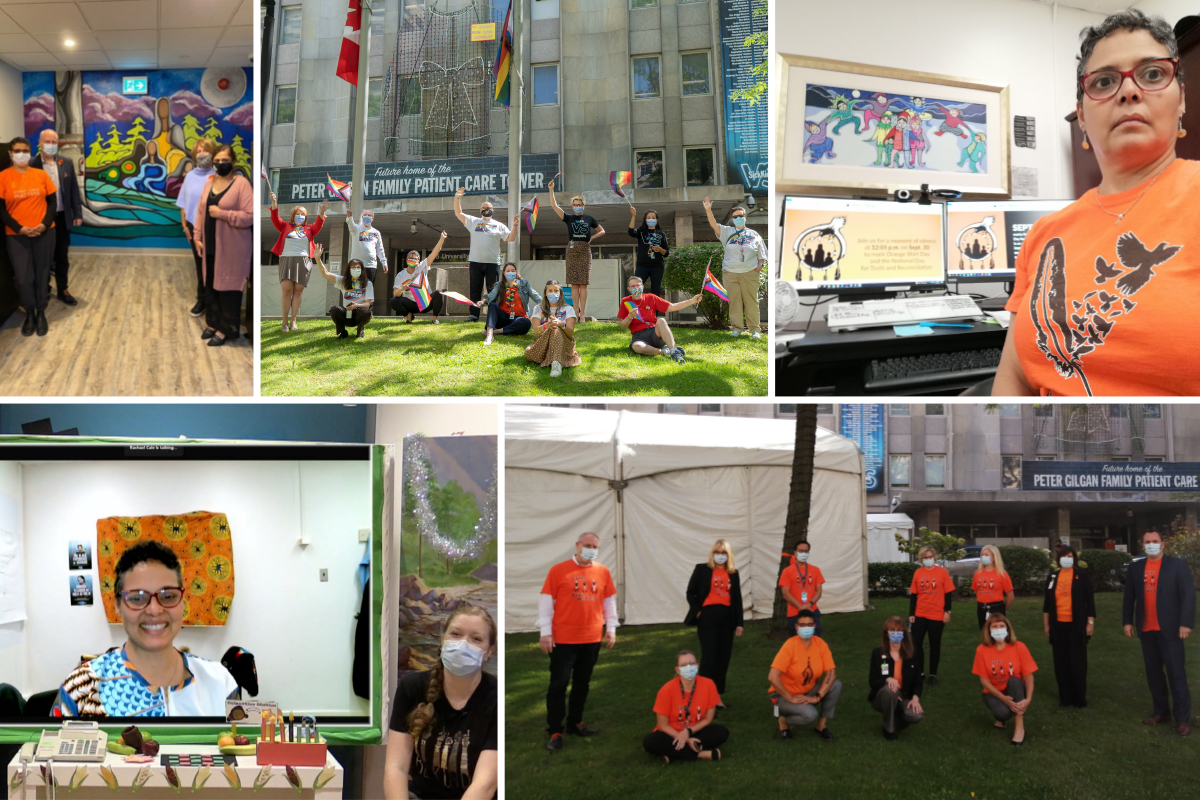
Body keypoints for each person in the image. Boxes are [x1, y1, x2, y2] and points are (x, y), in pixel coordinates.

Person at [992, 9, 1200, 396]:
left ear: (1181, 100)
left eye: (1152, 74)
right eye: (1104, 81)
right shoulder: (1044, 234)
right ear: (1082, 117)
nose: (1129, 91)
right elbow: (1014, 376)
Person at [52, 541, 239, 717]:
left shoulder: (221, 682)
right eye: (137, 598)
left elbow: (241, 739)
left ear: (182, 601)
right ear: (117, 605)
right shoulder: (82, 689)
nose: (154, 610)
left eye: (168, 596)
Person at [383, 606, 497, 800]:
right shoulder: (411, 688)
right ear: (443, 641)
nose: (463, 644)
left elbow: (485, 783)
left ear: (488, 652)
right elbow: (396, 768)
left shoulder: (495, 699)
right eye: (456, 634)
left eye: (476, 639)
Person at [539, 532, 617, 752]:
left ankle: (575, 722)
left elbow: (609, 602)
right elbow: (546, 603)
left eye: (595, 547)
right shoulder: (558, 570)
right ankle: (555, 729)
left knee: (582, 683)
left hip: (591, 638)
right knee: (558, 684)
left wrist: (611, 628)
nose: (591, 549)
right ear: (577, 545)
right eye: (587, 545)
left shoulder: (603, 571)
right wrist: (545, 632)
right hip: (563, 639)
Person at [1122, 529, 1195, 736]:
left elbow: (1188, 596)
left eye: (1155, 541)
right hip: (1147, 630)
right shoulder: (1136, 568)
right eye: (1147, 542)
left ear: (1162, 544)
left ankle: (1182, 719)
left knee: (1176, 674)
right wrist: (1127, 622)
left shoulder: (1177, 565)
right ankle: (1161, 712)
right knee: (1154, 675)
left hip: (1170, 630)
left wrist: (1185, 623)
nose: (1151, 544)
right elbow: (1129, 597)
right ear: (1142, 545)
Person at [193, 145, 252, 347]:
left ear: (232, 161)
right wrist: (197, 236)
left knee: (228, 289)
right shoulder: (209, 182)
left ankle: (225, 329)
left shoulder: (241, 184)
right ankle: (213, 322)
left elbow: (250, 216)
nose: (220, 164)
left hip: (232, 249)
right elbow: (200, 212)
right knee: (211, 286)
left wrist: (223, 214)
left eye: (224, 161)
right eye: (217, 161)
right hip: (209, 245)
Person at [1, 136, 58, 337]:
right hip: (17, 236)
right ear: (10, 154)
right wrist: (19, 228)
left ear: (30, 152)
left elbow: (53, 202)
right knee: (23, 277)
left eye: (25, 150)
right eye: (17, 151)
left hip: (45, 233)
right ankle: (30, 312)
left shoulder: (40, 175)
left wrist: (44, 224)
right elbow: (1, 210)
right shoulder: (3, 177)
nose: (21, 154)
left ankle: (41, 311)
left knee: (42, 273)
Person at [642, 650, 727, 764]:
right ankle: (700, 754)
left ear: (698, 665)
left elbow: (708, 719)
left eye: (692, 663)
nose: (689, 667)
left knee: (721, 731)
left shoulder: (708, 684)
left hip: (695, 730)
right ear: (677, 669)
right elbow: (663, 725)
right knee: (650, 741)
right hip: (671, 733)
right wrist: (683, 738)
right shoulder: (666, 690)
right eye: (684, 665)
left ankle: (674, 754)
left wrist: (687, 732)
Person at [768, 609, 840, 742]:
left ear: (814, 625)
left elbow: (831, 673)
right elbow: (772, 677)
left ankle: (821, 726)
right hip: (781, 696)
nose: (806, 628)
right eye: (802, 625)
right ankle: (784, 722)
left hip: (807, 691)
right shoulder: (789, 646)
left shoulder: (820, 644)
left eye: (809, 624)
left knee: (835, 685)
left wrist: (817, 697)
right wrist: (790, 697)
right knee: (810, 715)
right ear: (796, 627)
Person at [684, 540, 744, 699]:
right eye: (717, 552)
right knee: (709, 657)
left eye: (723, 553)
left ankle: (717, 696)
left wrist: (739, 622)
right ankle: (703, 695)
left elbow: (737, 599)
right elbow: (690, 592)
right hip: (708, 616)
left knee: (723, 657)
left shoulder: (733, 573)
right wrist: (697, 611)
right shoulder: (702, 569)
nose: (720, 556)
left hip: (727, 617)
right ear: (712, 554)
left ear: (729, 555)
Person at [31, 129, 82, 307]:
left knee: (62, 256)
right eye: (47, 141)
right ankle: (43, 288)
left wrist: (77, 213)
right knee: (43, 257)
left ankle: (63, 289)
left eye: (54, 142)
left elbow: (73, 190)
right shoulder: (31, 164)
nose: (51, 145)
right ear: (40, 143)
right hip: (40, 219)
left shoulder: (65, 162)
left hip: (62, 217)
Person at [702, 197, 766, 338]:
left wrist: (759, 266)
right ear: (732, 219)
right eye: (735, 217)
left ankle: (754, 330)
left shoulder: (754, 234)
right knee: (734, 302)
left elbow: (761, 252)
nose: (738, 218)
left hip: (750, 273)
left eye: (740, 216)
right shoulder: (727, 232)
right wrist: (708, 210)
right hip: (730, 273)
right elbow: (713, 224)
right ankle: (737, 329)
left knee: (751, 301)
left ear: (745, 217)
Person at [453, 187, 517, 322]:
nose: (486, 210)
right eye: (484, 208)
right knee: (475, 289)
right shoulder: (473, 221)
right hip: (475, 262)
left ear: (493, 210)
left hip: (493, 263)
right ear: (480, 210)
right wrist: (457, 198)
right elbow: (458, 213)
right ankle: (473, 315)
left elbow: (511, 238)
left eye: (489, 208)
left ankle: (493, 315)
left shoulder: (499, 225)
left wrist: (515, 226)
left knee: (493, 291)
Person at [1043, 545, 1096, 709]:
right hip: (1057, 626)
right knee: (1061, 662)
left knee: (1077, 662)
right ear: (1059, 559)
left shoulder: (1082, 576)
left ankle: (1079, 698)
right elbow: (1047, 604)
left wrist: (1090, 623)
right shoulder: (1052, 577)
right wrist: (1046, 624)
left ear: (1074, 559)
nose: (1067, 559)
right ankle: (1065, 698)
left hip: (1076, 626)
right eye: (1064, 556)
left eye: (1070, 556)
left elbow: (1090, 602)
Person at [269, 190, 329, 333]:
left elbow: (318, 225)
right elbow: (275, 218)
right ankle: (284, 322)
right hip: (287, 259)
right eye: (298, 214)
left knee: (298, 291)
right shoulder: (285, 226)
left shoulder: (309, 229)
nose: (300, 216)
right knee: (286, 291)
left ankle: (293, 321)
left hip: (304, 261)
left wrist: (322, 213)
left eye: (303, 214)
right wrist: (274, 203)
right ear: (293, 216)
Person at [972, 613, 1036, 745]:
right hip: (994, 692)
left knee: (1014, 681)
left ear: (1007, 628)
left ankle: (1019, 728)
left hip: (1016, 689)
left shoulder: (1019, 647)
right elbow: (984, 681)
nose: (998, 629)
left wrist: (1028, 699)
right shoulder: (981, 650)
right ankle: (1001, 719)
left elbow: (1029, 677)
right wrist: (1004, 699)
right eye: (994, 626)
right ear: (989, 630)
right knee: (1002, 713)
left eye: (1001, 625)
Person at [547, 180, 604, 321]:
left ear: (583, 206)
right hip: (572, 250)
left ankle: (582, 314)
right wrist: (551, 190)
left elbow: (602, 230)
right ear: (572, 206)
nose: (577, 207)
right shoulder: (569, 218)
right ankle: (575, 312)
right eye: (575, 205)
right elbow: (554, 206)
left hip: (585, 250)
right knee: (574, 283)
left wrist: (592, 237)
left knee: (583, 283)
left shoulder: (589, 218)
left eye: (580, 205)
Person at [617, 275, 701, 363]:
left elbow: (673, 306)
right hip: (639, 337)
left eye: (638, 285)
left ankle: (674, 351)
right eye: (633, 286)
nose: (636, 288)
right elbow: (623, 325)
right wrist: (629, 316)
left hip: (655, 333)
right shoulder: (625, 301)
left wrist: (692, 301)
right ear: (629, 289)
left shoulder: (651, 298)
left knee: (661, 320)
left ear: (642, 286)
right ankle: (664, 351)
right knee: (636, 347)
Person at [176, 139, 217, 317]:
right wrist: (185, 226)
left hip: (215, 227)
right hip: (194, 228)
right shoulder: (190, 177)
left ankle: (216, 301)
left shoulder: (219, 175)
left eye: (205, 150)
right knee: (200, 265)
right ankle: (202, 299)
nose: (202, 154)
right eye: (198, 151)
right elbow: (183, 203)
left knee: (215, 266)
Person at [867, 616, 924, 740]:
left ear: (904, 633)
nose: (896, 634)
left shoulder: (912, 654)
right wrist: (887, 679)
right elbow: (872, 682)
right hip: (882, 697)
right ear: (886, 633)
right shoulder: (878, 653)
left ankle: (894, 720)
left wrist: (915, 699)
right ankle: (888, 729)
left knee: (917, 716)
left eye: (899, 630)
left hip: (903, 697)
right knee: (890, 689)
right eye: (892, 630)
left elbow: (917, 682)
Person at [908, 546, 954, 686]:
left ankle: (933, 674)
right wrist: (911, 614)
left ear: (934, 557)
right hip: (920, 613)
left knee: (935, 645)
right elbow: (914, 595)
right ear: (921, 559)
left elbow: (948, 593)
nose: (928, 559)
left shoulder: (942, 572)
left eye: (930, 557)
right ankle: (920, 672)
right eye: (925, 558)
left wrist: (947, 611)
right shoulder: (918, 573)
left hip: (936, 614)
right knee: (916, 644)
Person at [314, 245, 373, 340]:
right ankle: (343, 332)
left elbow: (367, 304)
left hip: (359, 314)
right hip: (346, 313)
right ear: (349, 270)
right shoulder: (343, 281)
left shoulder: (367, 284)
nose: (356, 269)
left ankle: (360, 330)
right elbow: (325, 273)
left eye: (358, 267)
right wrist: (317, 258)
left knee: (366, 311)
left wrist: (357, 305)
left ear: (362, 270)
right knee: (334, 309)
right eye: (353, 267)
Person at [524, 279, 580, 378]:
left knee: (556, 329)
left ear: (560, 293)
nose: (553, 293)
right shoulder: (538, 308)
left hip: (564, 343)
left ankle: (556, 364)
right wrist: (546, 326)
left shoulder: (568, 309)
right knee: (528, 352)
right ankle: (552, 358)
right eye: (550, 291)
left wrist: (561, 324)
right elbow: (536, 331)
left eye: (556, 291)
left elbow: (570, 334)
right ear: (545, 293)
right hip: (544, 341)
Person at [391, 231, 450, 323]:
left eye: (415, 259)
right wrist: (402, 289)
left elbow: (434, 253)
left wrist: (442, 239)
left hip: (425, 303)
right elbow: (396, 294)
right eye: (410, 258)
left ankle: (435, 319)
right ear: (406, 260)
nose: (412, 260)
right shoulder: (400, 275)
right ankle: (409, 316)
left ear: (418, 261)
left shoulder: (422, 266)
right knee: (393, 301)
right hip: (410, 305)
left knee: (439, 293)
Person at [482, 263, 541, 344]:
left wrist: (547, 304)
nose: (510, 273)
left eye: (512, 271)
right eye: (508, 271)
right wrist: (482, 301)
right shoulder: (500, 285)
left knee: (526, 322)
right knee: (492, 305)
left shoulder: (523, 283)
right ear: (504, 273)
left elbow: (535, 296)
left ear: (516, 272)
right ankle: (489, 335)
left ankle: (497, 331)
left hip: (518, 319)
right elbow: (490, 296)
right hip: (503, 318)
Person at [778, 540, 826, 637]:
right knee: (797, 641)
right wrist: (801, 607)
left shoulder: (815, 570)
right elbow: (786, 594)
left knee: (815, 640)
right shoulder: (787, 571)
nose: (803, 553)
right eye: (800, 551)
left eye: (806, 551)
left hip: (812, 611)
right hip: (794, 613)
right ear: (795, 552)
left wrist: (808, 605)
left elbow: (818, 591)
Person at [627, 206, 670, 297]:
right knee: (636, 289)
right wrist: (633, 216)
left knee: (655, 292)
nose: (651, 220)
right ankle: (634, 306)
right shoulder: (641, 231)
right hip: (642, 266)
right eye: (649, 218)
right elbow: (631, 232)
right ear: (645, 220)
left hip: (657, 266)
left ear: (657, 220)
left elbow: (667, 253)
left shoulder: (661, 234)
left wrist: (660, 249)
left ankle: (654, 307)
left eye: (653, 218)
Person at [972, 545, 1015, 628]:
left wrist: (1003, 609)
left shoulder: (1002, 574)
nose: (983, 557)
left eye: (986, 555)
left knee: (996, 630)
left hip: (997, 608)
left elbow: (1010, 596)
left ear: (994, 557)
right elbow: (976, 591)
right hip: (981, 608)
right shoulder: (977, 574)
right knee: (984, 631)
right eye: (982, 555)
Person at [345, 205, 388, 283]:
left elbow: (380, 249)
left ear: (372, 218)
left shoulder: (376, 232)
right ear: (362, 217)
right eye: (365, 215)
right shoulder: (356, 229)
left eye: (369, 215)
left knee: (369, 288)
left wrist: (384, 262)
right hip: (356, 266)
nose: (367, 217)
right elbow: (351, 225)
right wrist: (350, 217)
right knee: (356, 288)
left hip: (371, 265)